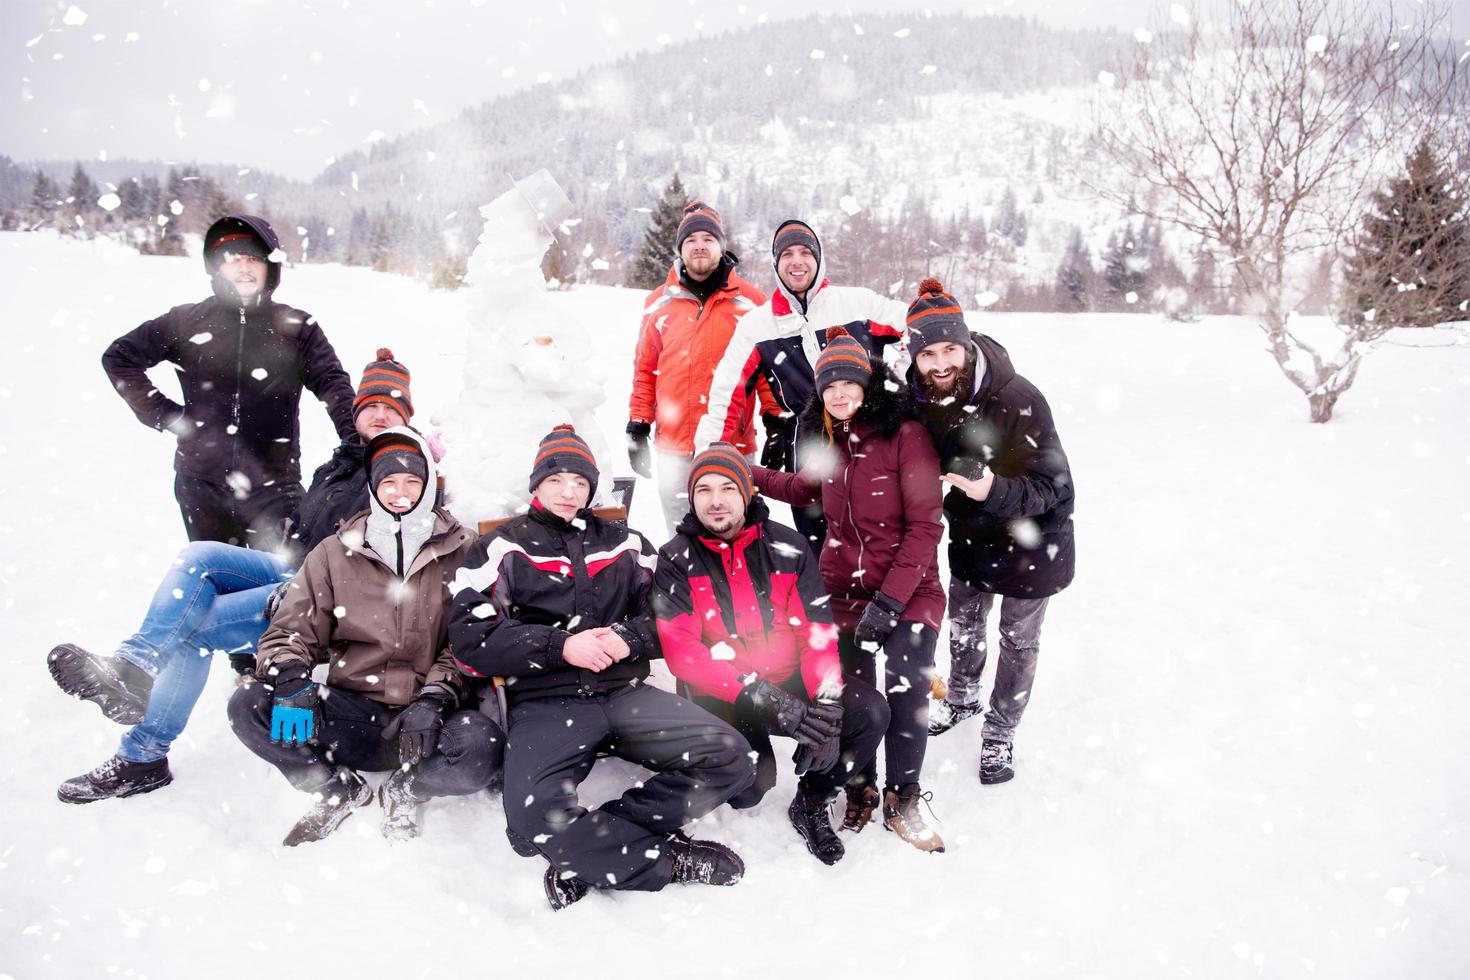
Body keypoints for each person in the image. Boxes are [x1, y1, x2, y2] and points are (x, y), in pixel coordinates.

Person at [49, 350, 415, 804]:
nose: (379, 414)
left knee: (192, 629)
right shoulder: (343, 461)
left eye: (391, 408)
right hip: (297, 569)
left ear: (405, 417)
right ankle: (134, 663)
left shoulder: (403, 471)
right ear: (356, 413)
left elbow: (391, 558)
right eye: (371, 406)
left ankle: (143, 754)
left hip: (328, 600)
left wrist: (304, 588)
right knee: (198, 557)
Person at [447, 424, 754, 911]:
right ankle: (662, 861)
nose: (569, 492)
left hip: (624, 695)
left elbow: (676, 618)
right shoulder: (501, 549)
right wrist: (558, 647)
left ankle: (593, 844)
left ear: (592, 487)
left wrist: (625, 637)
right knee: (529, 824)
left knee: (734, 758)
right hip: (546, 705)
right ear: (536, 486)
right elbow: (469, 639)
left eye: (579, 481)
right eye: (556, 480)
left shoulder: (626, 543)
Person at [228, 427, 501, 845]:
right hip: (352, 712)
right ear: (373, 487)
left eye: (412, 481)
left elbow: (471, 638)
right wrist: (291, 678)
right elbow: (291, 626)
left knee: (481, 746)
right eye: (388, 482)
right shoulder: (334, 553)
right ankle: (336, 787)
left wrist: (435, 696)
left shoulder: (464, 550)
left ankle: (407, 788)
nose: (400, 492)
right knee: (249, 704)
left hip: (429, 721)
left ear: (428, 485)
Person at [752, 327, 946, 851]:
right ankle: (858, 786)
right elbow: (801, 488)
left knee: (906, 686)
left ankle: (902, 794)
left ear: (867, 384)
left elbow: (926, 528)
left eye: (849, 384)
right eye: (829, 387)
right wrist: (745, 474)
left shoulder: (906, 435)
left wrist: (891, 602)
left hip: (910, 587)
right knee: (853, 695)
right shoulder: (830, 437)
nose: (839, 395)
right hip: (845, 589)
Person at [654, 443, 889, 866]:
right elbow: (684, 655)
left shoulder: (790, 547)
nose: (716, 500)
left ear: (747, 493)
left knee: (869, 712)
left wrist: (827, 710)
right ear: (691, 499)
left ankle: (812, 801)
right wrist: (767, 700)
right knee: (749, 788)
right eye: (703, 490)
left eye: (727, 487)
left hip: (788, 676)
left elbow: (815, 637)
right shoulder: (676, 558)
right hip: (723, 693)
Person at [904, 278, 1076, 785]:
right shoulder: (923, 399)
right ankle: (960, 698)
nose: (940, 363)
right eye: (928, 353)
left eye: (950, 349)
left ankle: (1000, 733)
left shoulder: (1019, 398)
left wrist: (993, 490)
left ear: (968, 344)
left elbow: (1055, 485)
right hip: (974, 540)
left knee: (1018, 642)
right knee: (965, 626)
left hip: (1034, 542)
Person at [102, 214, 356, 548]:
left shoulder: (297, 327)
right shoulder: (186, 321)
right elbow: (119, 358)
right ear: (217, 267)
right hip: (201, 484)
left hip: (275, 487)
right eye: (233, 259)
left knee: (283, 584)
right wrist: (171, 418)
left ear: (270, 267)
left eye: (253, 259)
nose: (244, 268)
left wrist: (360, 441)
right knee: (216, 580)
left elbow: (333, 385)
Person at [693, 218, 911, 551]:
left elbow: (924, 327)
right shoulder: (758, 325)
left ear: (819, 258)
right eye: (787, 254)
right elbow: (726, 391)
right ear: (775, 263)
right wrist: (710, 454)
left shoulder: (857, 304)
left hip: (874, 440)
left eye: (805, 252)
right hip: (810, 448)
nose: (797, 261)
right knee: (819, 552)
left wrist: (898, 383)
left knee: (886, 544)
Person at [626, 201, 775, 535]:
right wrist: (638, 425)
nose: (700, 245)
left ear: (721, 247)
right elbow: (646, 369)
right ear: (681, 249)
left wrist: (775, 419)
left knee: (736, 525)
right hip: (674, 443)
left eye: (708, 238)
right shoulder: (658, 302)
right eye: (691, 240)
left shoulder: (750, 301)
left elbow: (768, 368)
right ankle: (685, 585)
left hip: (730, 440)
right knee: (681, 530)